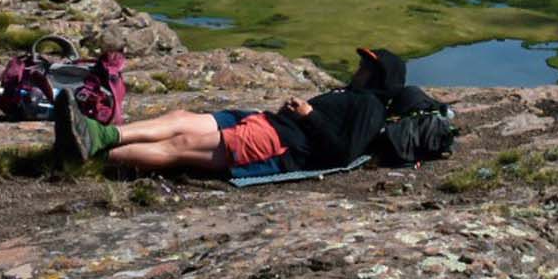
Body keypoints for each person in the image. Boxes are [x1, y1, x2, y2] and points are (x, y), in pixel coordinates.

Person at [53, 47, 404, 180]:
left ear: (379, 77)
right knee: (180, 117)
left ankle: (91, 156)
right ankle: (101, 133)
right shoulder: (351, 94)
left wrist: (309, 115)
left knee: (183, 143)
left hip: (279, 142)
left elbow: (343, 152)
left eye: (365, 66)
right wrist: (299, 111)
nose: (358, 68)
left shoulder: (371, 108)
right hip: (267, 120)